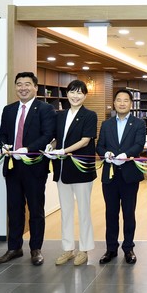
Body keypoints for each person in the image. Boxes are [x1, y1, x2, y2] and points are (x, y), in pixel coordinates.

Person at [0, 71, 56, 266]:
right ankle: (14, 248)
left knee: (36, 209)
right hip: (12, 166)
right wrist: (3, 145)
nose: (23, 88)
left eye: (27, 84)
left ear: (35, 87)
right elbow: (2, 134)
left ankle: (36, 248)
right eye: (19, 84)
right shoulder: (9, 109)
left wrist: (28, 149)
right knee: (14, 209)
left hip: (34, 167)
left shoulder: (45, 109)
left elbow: (48, 135)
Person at [45, 80, 97, 267]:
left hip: (81, 169)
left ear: (85, 96)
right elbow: (56, 138)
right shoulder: (59, 115)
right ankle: (68, 248)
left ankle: (84, 249)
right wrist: (50, 146)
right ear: (67, 94)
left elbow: (85, 141)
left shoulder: (89, 115)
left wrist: (63, 151)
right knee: (66, 211)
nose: (75, 96)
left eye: (79, 93)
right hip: (62, 169)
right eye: (72, 92)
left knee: (84, 211)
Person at [97, 88, 146, 265]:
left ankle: (128, 248)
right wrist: (106, 154)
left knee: (128, 213)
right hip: (110, 175)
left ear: (131, 104)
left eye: (126, 100)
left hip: (129, 175)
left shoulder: (138, 123)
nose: (122, 103)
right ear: (114, 103)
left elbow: (139, 144)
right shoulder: (106, 124)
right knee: (110, 213)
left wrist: (125, 155)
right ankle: (111, 249)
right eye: (119, 100)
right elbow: (99, 146)